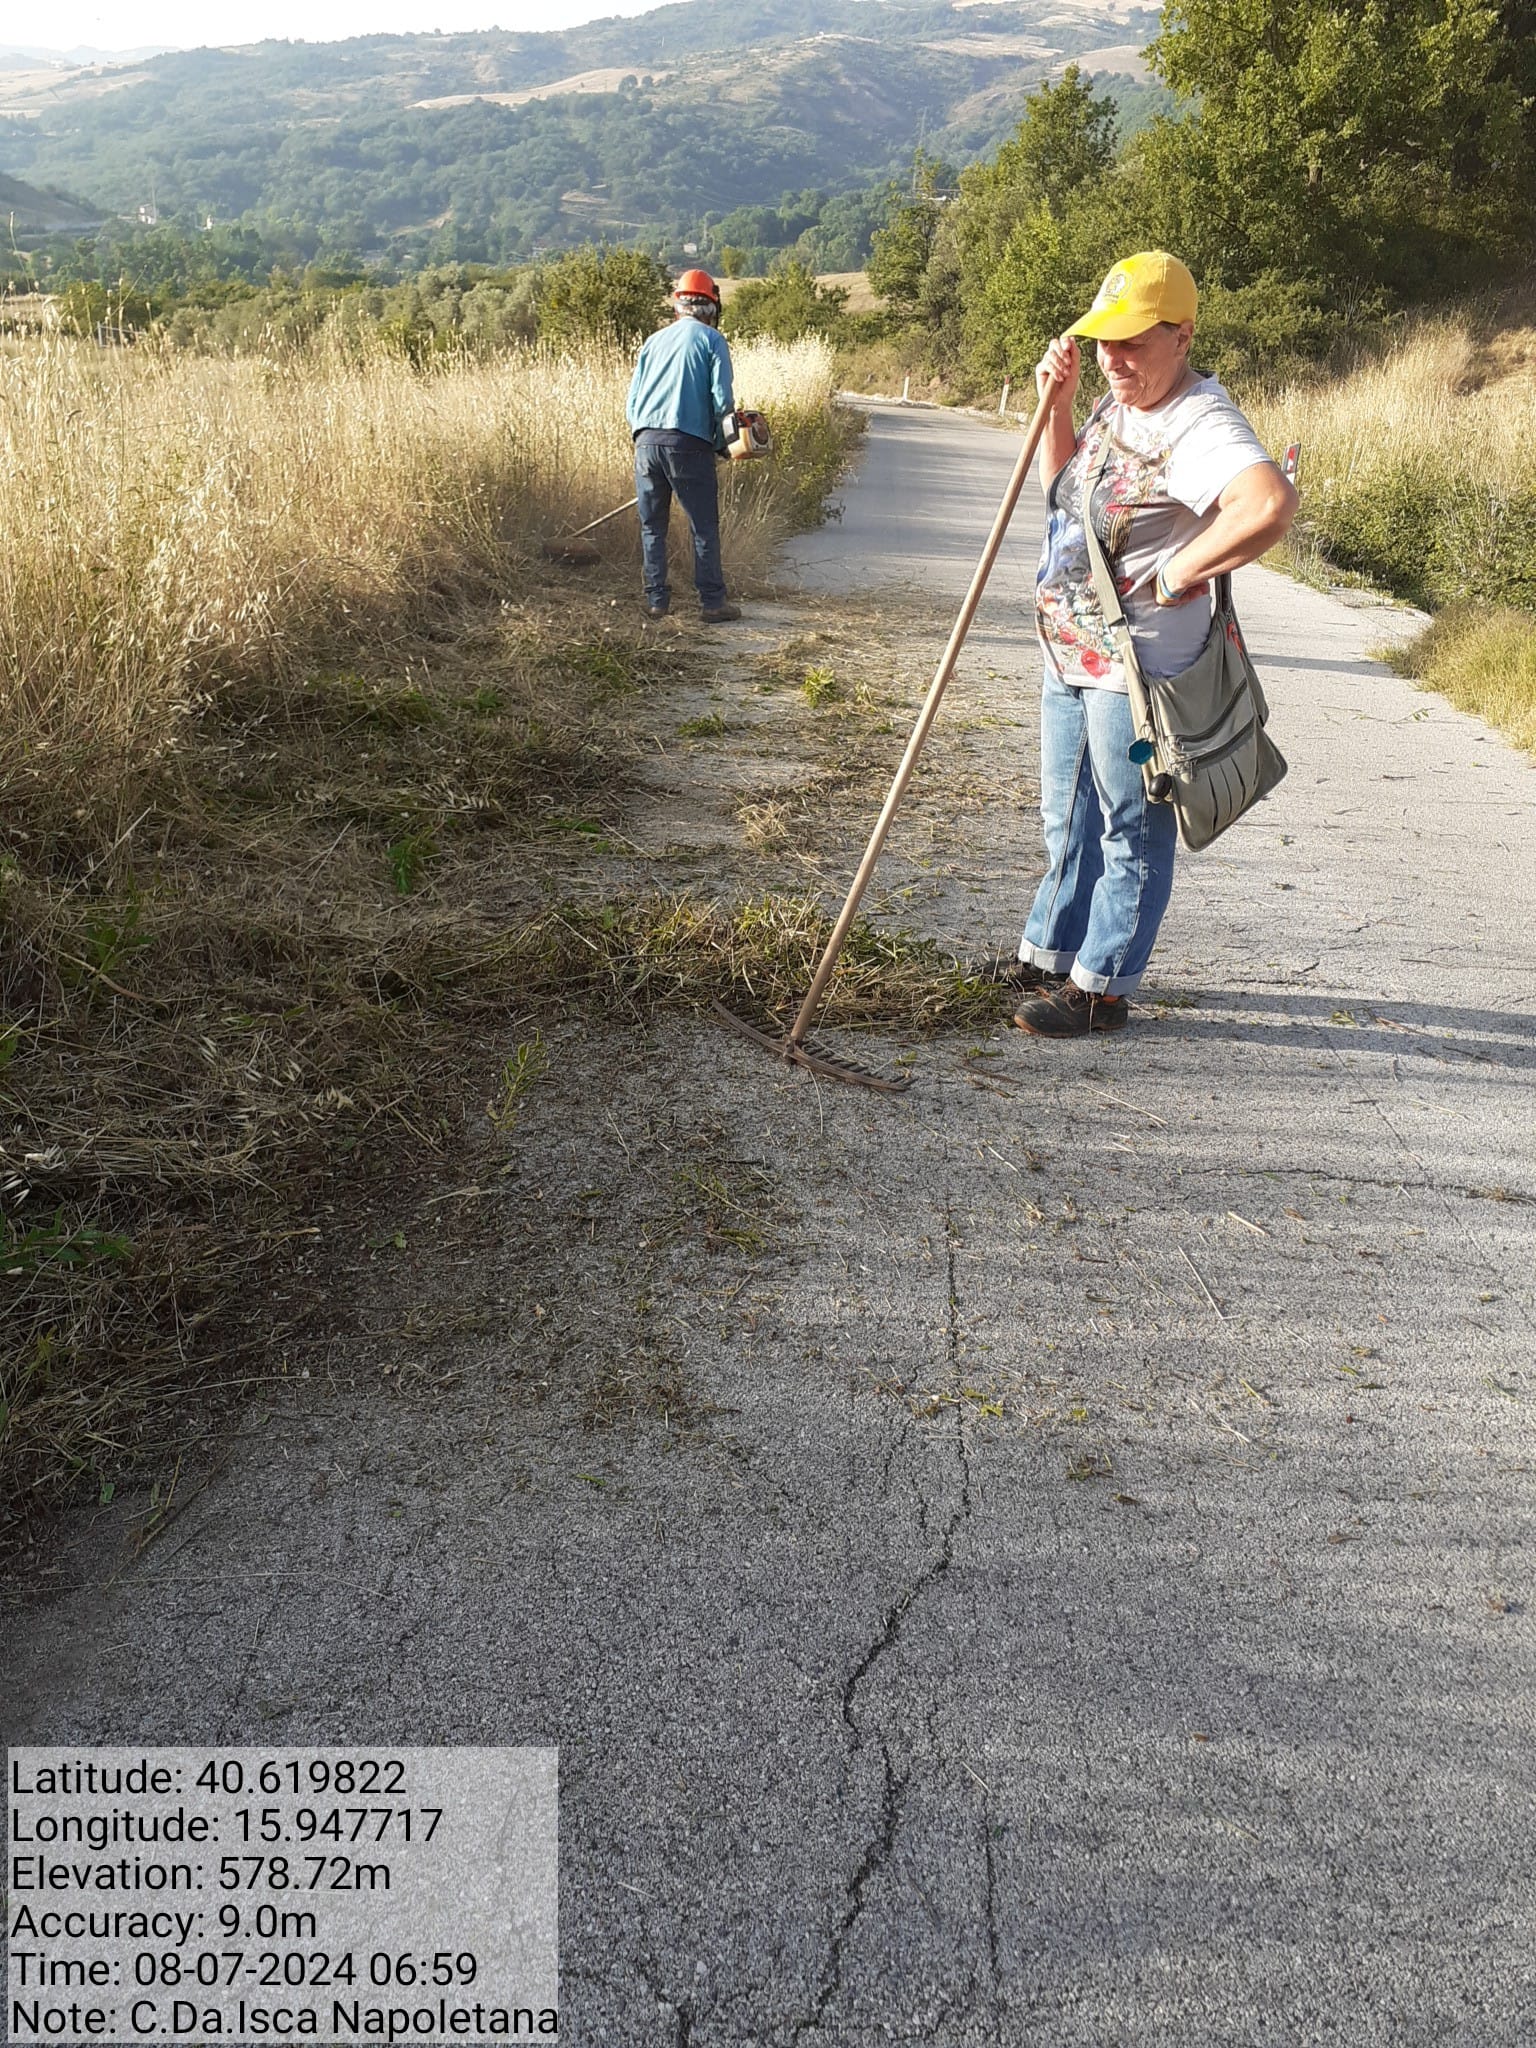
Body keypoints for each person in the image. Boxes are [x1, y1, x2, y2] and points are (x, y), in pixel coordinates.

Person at [998, 249, 1298, 1038]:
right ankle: (1049, 952)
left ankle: (1103, 987)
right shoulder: (1113, 403)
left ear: (1183, 335)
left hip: (1136, 670)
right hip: (1070, 653)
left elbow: (1269, 504)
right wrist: (1057, 404)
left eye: (1131, 341)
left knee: (1130, 824)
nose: (1112, 357)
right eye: (1103, 339)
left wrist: (1180, 572)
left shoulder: (1200, 421)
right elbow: (1065, 497)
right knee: (1066, 817)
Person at [625, 268, 742, 624]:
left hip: (646, 441)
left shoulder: (652, 341)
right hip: (689, 443)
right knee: (702, 526)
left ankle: (657, 601)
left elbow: (632, 403)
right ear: (710, 306)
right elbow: (722, 400)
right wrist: (724, 443)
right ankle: (712, 603)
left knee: (652, 526)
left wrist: (645, 440)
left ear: (678, 305)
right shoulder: (711, 340)